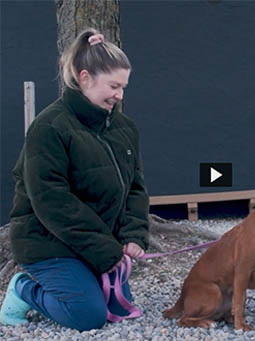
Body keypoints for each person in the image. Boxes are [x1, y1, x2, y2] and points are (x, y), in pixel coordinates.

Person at [1, 29, 148, 331]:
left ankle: (83, 280)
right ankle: (23, 288)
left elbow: (135, 186)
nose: (120, 95)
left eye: (123, 87)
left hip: (94, 244)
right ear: (84, 78)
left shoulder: (124, 128)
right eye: (113, 86)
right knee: (88, 316)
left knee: (116, 305)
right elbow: (52, 201)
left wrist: (133, 235)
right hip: (47, 243)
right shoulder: (49, 127)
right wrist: (106, 251)